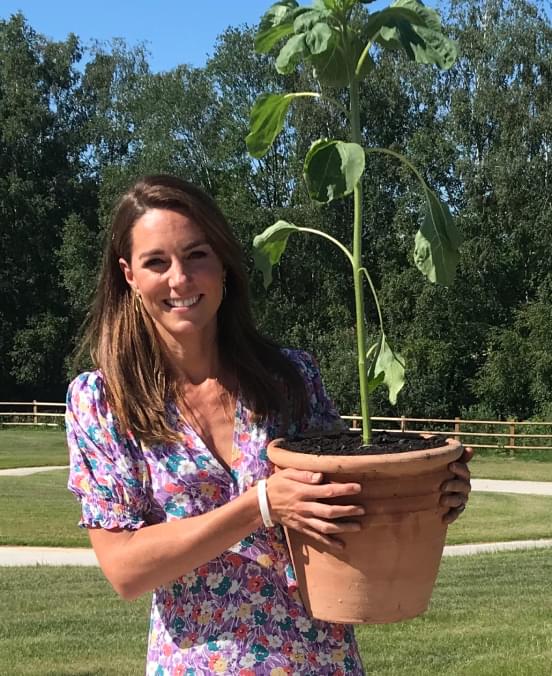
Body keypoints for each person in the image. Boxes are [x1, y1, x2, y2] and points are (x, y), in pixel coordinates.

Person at [66, 174, 472, 676]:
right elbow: (125, 569)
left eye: (197, 255)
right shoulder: (106, 401)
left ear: (223, 264)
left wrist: (433, 494)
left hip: (317, 658)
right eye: (157, 262)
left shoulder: (290, 378)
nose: (180, 279)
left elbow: (354, 504)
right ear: (129, 275)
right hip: (197, 665)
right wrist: (260, 505)